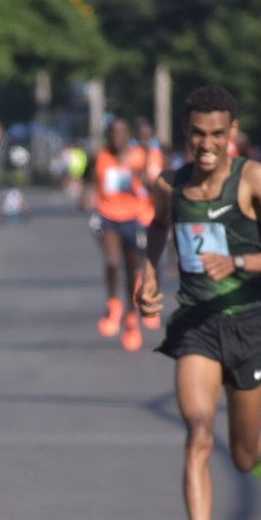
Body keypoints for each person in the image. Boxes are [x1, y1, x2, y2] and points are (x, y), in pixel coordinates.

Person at [135, 85, 261, 520]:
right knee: (199, 433)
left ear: (232, 132)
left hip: (249, 326)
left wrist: (240, 262)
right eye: (197, 134)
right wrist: (148, 274)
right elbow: (158, 228)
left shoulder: (254, 179)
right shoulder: (169, 184)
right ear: (185, 133)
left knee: (244, 459)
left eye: (216, 134)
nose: (206, 145)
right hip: (197, 325)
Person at [84, 117, 149, 351]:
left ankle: (131, 318)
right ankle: (113, 303)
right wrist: (86, 196)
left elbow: (148, 184)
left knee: (132, 272)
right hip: (107, 216)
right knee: (112, 261)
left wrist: (141, 179)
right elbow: (88, 178)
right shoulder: (99, 156)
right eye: (112, 133)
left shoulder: (139, 156)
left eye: (121, 133)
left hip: (133, 218)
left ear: (127, 135)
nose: (116, 137)